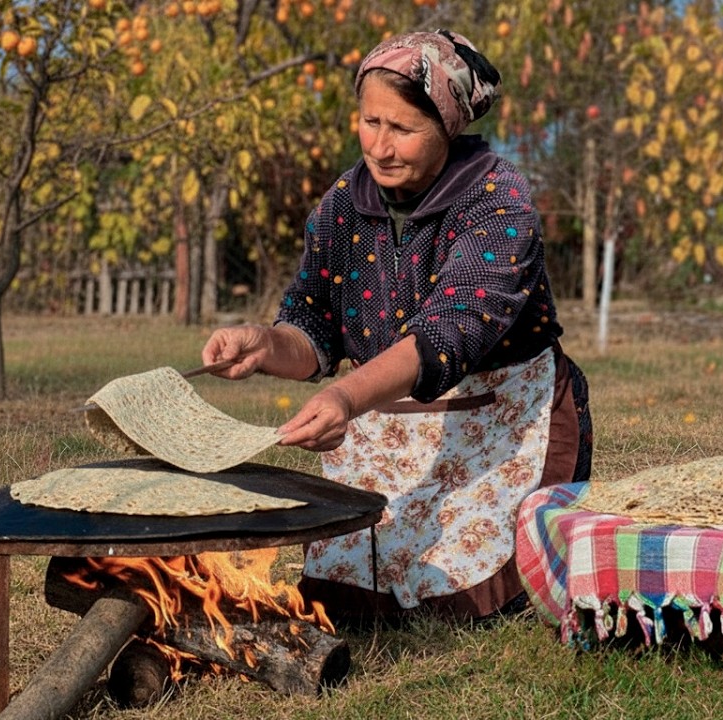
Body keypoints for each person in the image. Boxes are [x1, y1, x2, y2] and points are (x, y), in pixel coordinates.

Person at [200, 29, 592, 625]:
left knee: (465, 601)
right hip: (385, 427)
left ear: (446, 128)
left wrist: (344, 396)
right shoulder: (341, 205)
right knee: (348, 601)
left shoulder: (497, 201)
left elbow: (447, 334)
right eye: (369, 121)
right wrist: (265, 344)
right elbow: (314, 331)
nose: (380, 147)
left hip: (496, 422)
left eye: (403, 129)